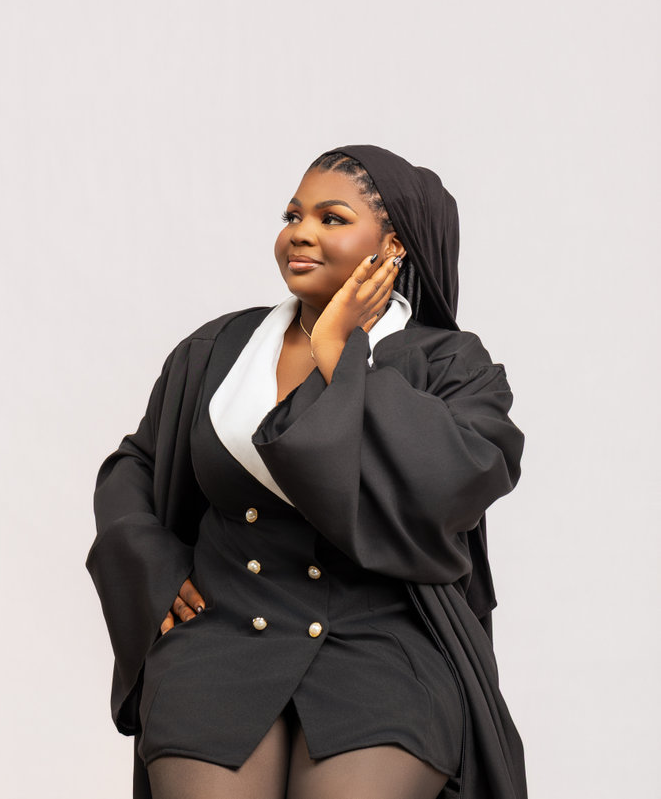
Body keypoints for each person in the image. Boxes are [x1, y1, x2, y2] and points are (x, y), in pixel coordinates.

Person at [86, 144, 528, 799]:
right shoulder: (217, 350)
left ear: (393, 247)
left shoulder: (451, 367)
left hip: (384, 646)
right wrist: (154, 566)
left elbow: (453, 484)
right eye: (293, 215)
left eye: (331, 218)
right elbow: (137, 465)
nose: (301, 232)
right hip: (222, 633)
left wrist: (338, 356)